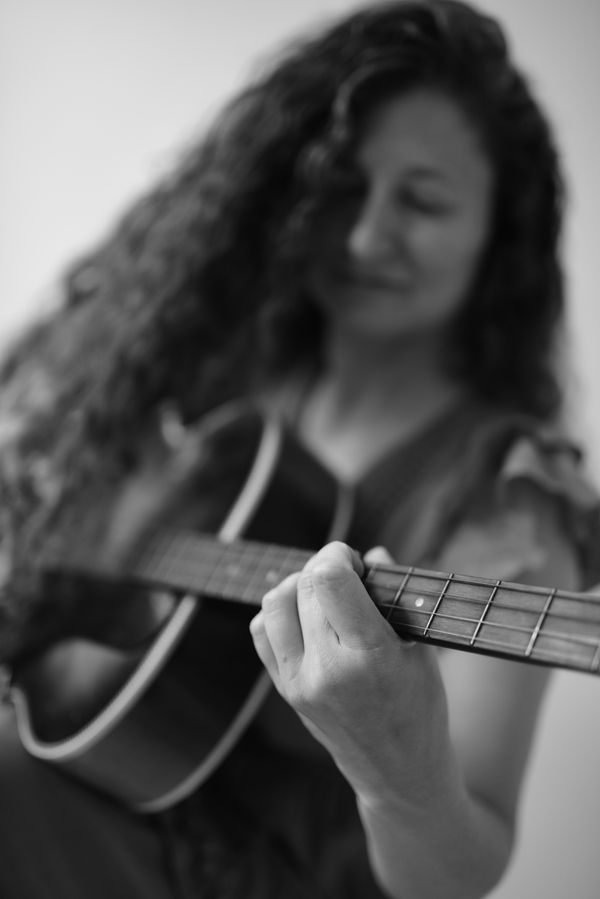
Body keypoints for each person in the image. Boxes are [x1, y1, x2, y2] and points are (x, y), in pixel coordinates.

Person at [0, 1, 599, 897]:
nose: (365, 237)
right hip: (88, 780)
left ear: (500, 232)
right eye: (340, 188)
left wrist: (399, 766)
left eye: (422, 201)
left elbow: (459, 870)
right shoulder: (226, 365)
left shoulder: (510, 494)